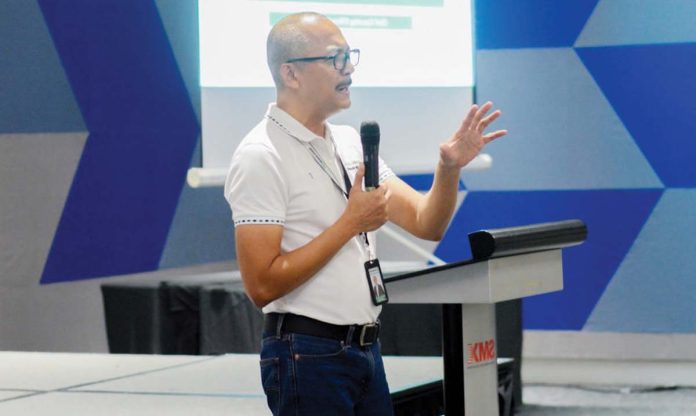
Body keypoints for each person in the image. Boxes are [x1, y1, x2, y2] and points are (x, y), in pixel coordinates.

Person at [224, 12, 507, 416]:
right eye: (336, 58)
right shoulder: (261, 155)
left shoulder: (349, 142)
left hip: (365, 351)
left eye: (350, 56)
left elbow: (427, 223)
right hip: (306, 355)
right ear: (291, 74)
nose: (350, 68)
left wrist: (448, 168)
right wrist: (351, 224)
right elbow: (261, 285)